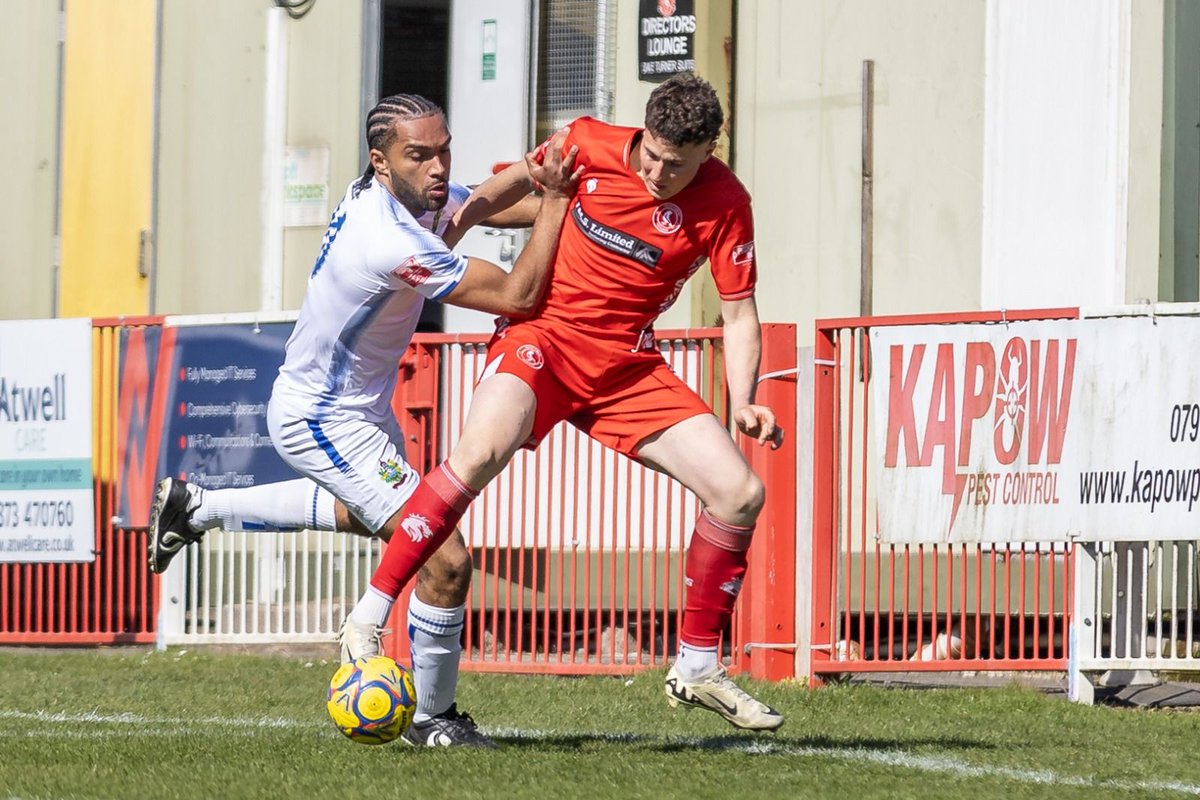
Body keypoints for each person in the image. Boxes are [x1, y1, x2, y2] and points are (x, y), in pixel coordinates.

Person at [341, 73, 785, 732]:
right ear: (643, 132)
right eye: (653, 156)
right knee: (479, 452)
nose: (660, 173)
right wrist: (449, 231)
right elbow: (506, 188)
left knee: (740, 492)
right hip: (540, 342)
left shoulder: (726, 201)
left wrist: (745, 400)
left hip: (626, 369)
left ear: (711, 149)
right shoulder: (587, 142)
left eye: (678, 165)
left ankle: (695, 665)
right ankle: (367, 620)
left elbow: (740, 314)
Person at [147, 93, 581, 748]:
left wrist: (569, 200)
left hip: (355, 406)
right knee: (443, 556)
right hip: (324, 416)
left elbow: (478, 207)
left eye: (444, 150)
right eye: (420, 155)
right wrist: (555, 201)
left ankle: (201, 506)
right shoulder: (389, 239)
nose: (438, 166)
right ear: (381, 162)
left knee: (385, 522)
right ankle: (434, 722)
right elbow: (518, 294)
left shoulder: (410, 194)